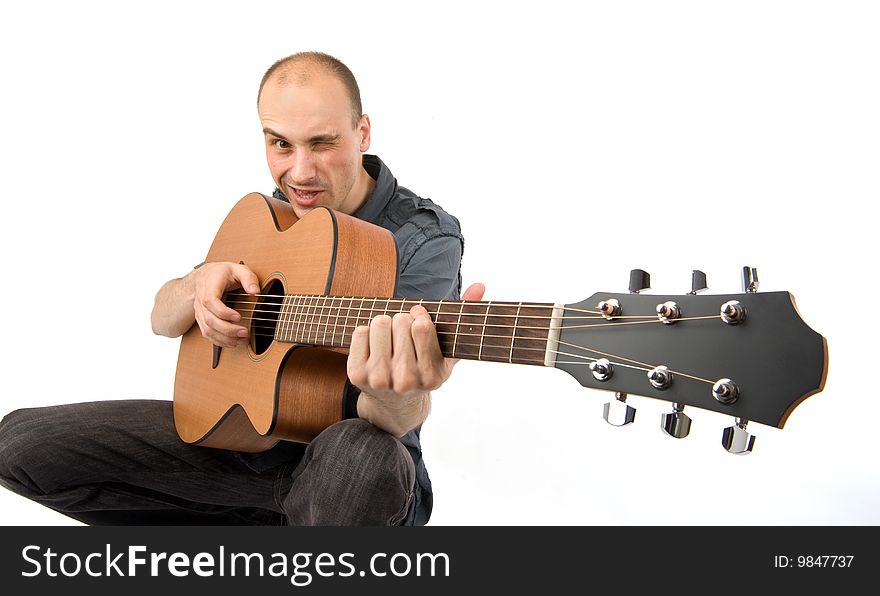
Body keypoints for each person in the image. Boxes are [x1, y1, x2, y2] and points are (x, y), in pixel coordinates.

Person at [0, 51, 484, 526]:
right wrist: (198, 287)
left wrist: (398, 395)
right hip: (240, 454)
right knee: (17, 444)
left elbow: (397, 421)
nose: (300, 173)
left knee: (363, 457)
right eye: (280, 145)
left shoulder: (422, 237)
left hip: (346, 484)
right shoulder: (274, 213)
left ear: (362, 133)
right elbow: (160, 319)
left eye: (322, 143)